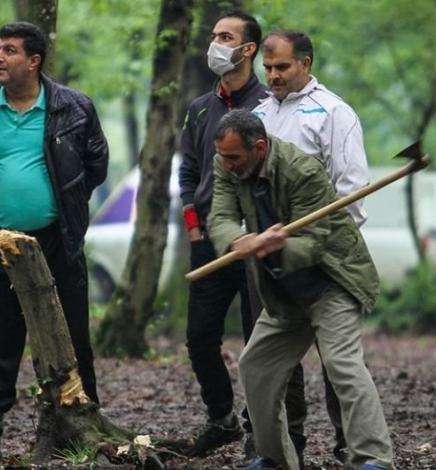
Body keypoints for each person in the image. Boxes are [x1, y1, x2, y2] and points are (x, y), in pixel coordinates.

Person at [207, 109, 395, 470]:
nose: (226, 164)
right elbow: (220, 217)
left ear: (259, 148)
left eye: (233, 157)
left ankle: (374, 459)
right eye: (223, 156)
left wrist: (274, 247)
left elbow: (315, 242)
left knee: (342, 364)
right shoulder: (226, 165)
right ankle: (275, 459)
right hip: (284, 293)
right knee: (255, 364)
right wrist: (240, 240)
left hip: (332, 282)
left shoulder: (303, 170)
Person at [0, 21, 109, 458]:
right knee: (0, 334)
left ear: (34, 61)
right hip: (2, 241)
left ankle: (82, 419)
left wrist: (64, 201)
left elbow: (95, 164)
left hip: (59, 240)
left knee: (73, 332)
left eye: (9, 51)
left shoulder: (74, 108)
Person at [253, 28, 371, 463]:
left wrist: (318, 247)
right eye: (267, 68)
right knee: (268, 361)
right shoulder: (259, 113)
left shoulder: (335, 113)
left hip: (326, 261)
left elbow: (352, 192)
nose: (273, 75)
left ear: (306, 63)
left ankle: (353, 447)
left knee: (339, 364)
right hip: (271, 259)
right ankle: (283, 448)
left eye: (282, 66)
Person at [178, 10, 268, 458]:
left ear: (248, 49)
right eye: (214, 35)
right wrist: (195, 231)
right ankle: (221, 418)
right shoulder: (198, 109)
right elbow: (188, 173)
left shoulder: (270, 105)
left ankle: (260, 428)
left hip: (258, 244)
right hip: (209, 242)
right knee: (199, 337)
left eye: (225, 36)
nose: (215, 43)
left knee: (260, 341)